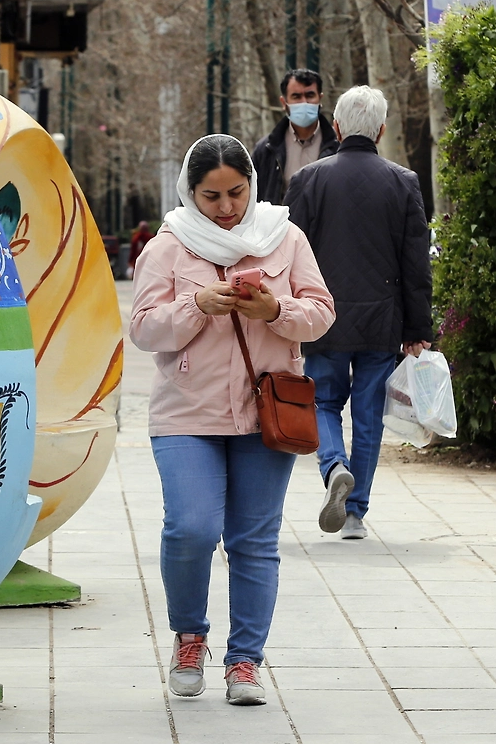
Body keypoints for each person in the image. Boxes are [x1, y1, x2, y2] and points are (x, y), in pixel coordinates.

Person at [130, 135, 335, 706]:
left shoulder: (284, 237)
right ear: (189, 193)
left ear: (252, 184)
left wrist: (276, 309)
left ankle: (245, 662)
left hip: (265, 410)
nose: (225, 208)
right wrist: (196, 306)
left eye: (236, 193)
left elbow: (321, 313)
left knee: (254, 540)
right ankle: (189, 636)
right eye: (211, 196)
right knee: (191, 528)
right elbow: (144, 329)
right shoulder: (168, 246)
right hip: (185, 414)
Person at [285, 85, 433, 540]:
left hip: (323, 317)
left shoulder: (308, 180)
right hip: (381, 319)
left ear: (336, 126)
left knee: (324, 403)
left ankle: (333, 468)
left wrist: (287, 318)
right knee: (368, 416)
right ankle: (355, 514)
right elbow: (415, 263)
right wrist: (417, 327)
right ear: (382, 129)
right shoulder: (403, 182)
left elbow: (288, 255)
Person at [252, 69, 340, 205]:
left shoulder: (338, 146)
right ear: (284, 102)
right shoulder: (266, 150)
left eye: (310, 95)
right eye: (296, 97)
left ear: (320, 99)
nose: (304, 102)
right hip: (280, 225)